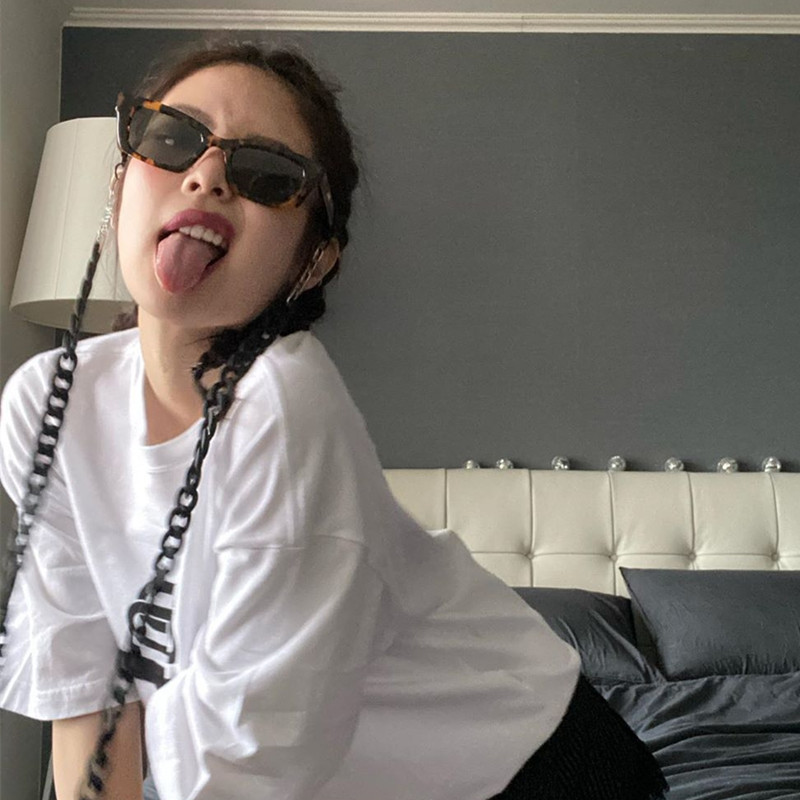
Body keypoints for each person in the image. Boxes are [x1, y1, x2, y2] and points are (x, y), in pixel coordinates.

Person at [0, 41, 668, 800]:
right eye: (172, 136)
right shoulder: (44, 405)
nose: (207, 174)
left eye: (266, 173)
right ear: (121, 183)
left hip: (529, 762)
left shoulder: (284, 410)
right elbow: (83, 686)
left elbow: (244, 764)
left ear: (312, 260)